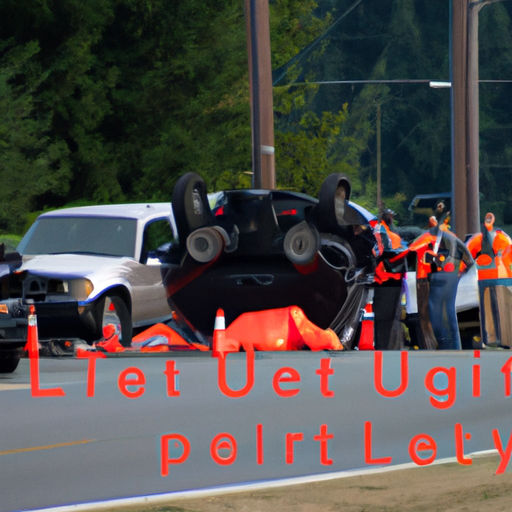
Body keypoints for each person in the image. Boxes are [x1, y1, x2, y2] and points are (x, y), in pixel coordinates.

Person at [408, 206, 474, 350]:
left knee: (428, 316)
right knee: (443, 314)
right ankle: (446, 345)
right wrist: (460, 271)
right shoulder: (448, 237)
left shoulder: (426, 238)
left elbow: (410, 251)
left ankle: (434, 346)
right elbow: (467, 259)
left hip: (425, 280)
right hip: (435, 278)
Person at [466, 213, 512, 348]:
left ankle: (490, 340)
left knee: (488, 311)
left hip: (485, 278)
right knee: (503, 310)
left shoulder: (478, 239)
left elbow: (466, 256)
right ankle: (506, 340)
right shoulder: (503, 238)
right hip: (503, 278)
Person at [371, 209, 408, 350]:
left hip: (383, 280)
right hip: (396, 280)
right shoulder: (395, 236)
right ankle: (394, 346)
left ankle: (384, 347)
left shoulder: (380, 233)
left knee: (383, 318)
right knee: (394, 317)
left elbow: (378, 253)